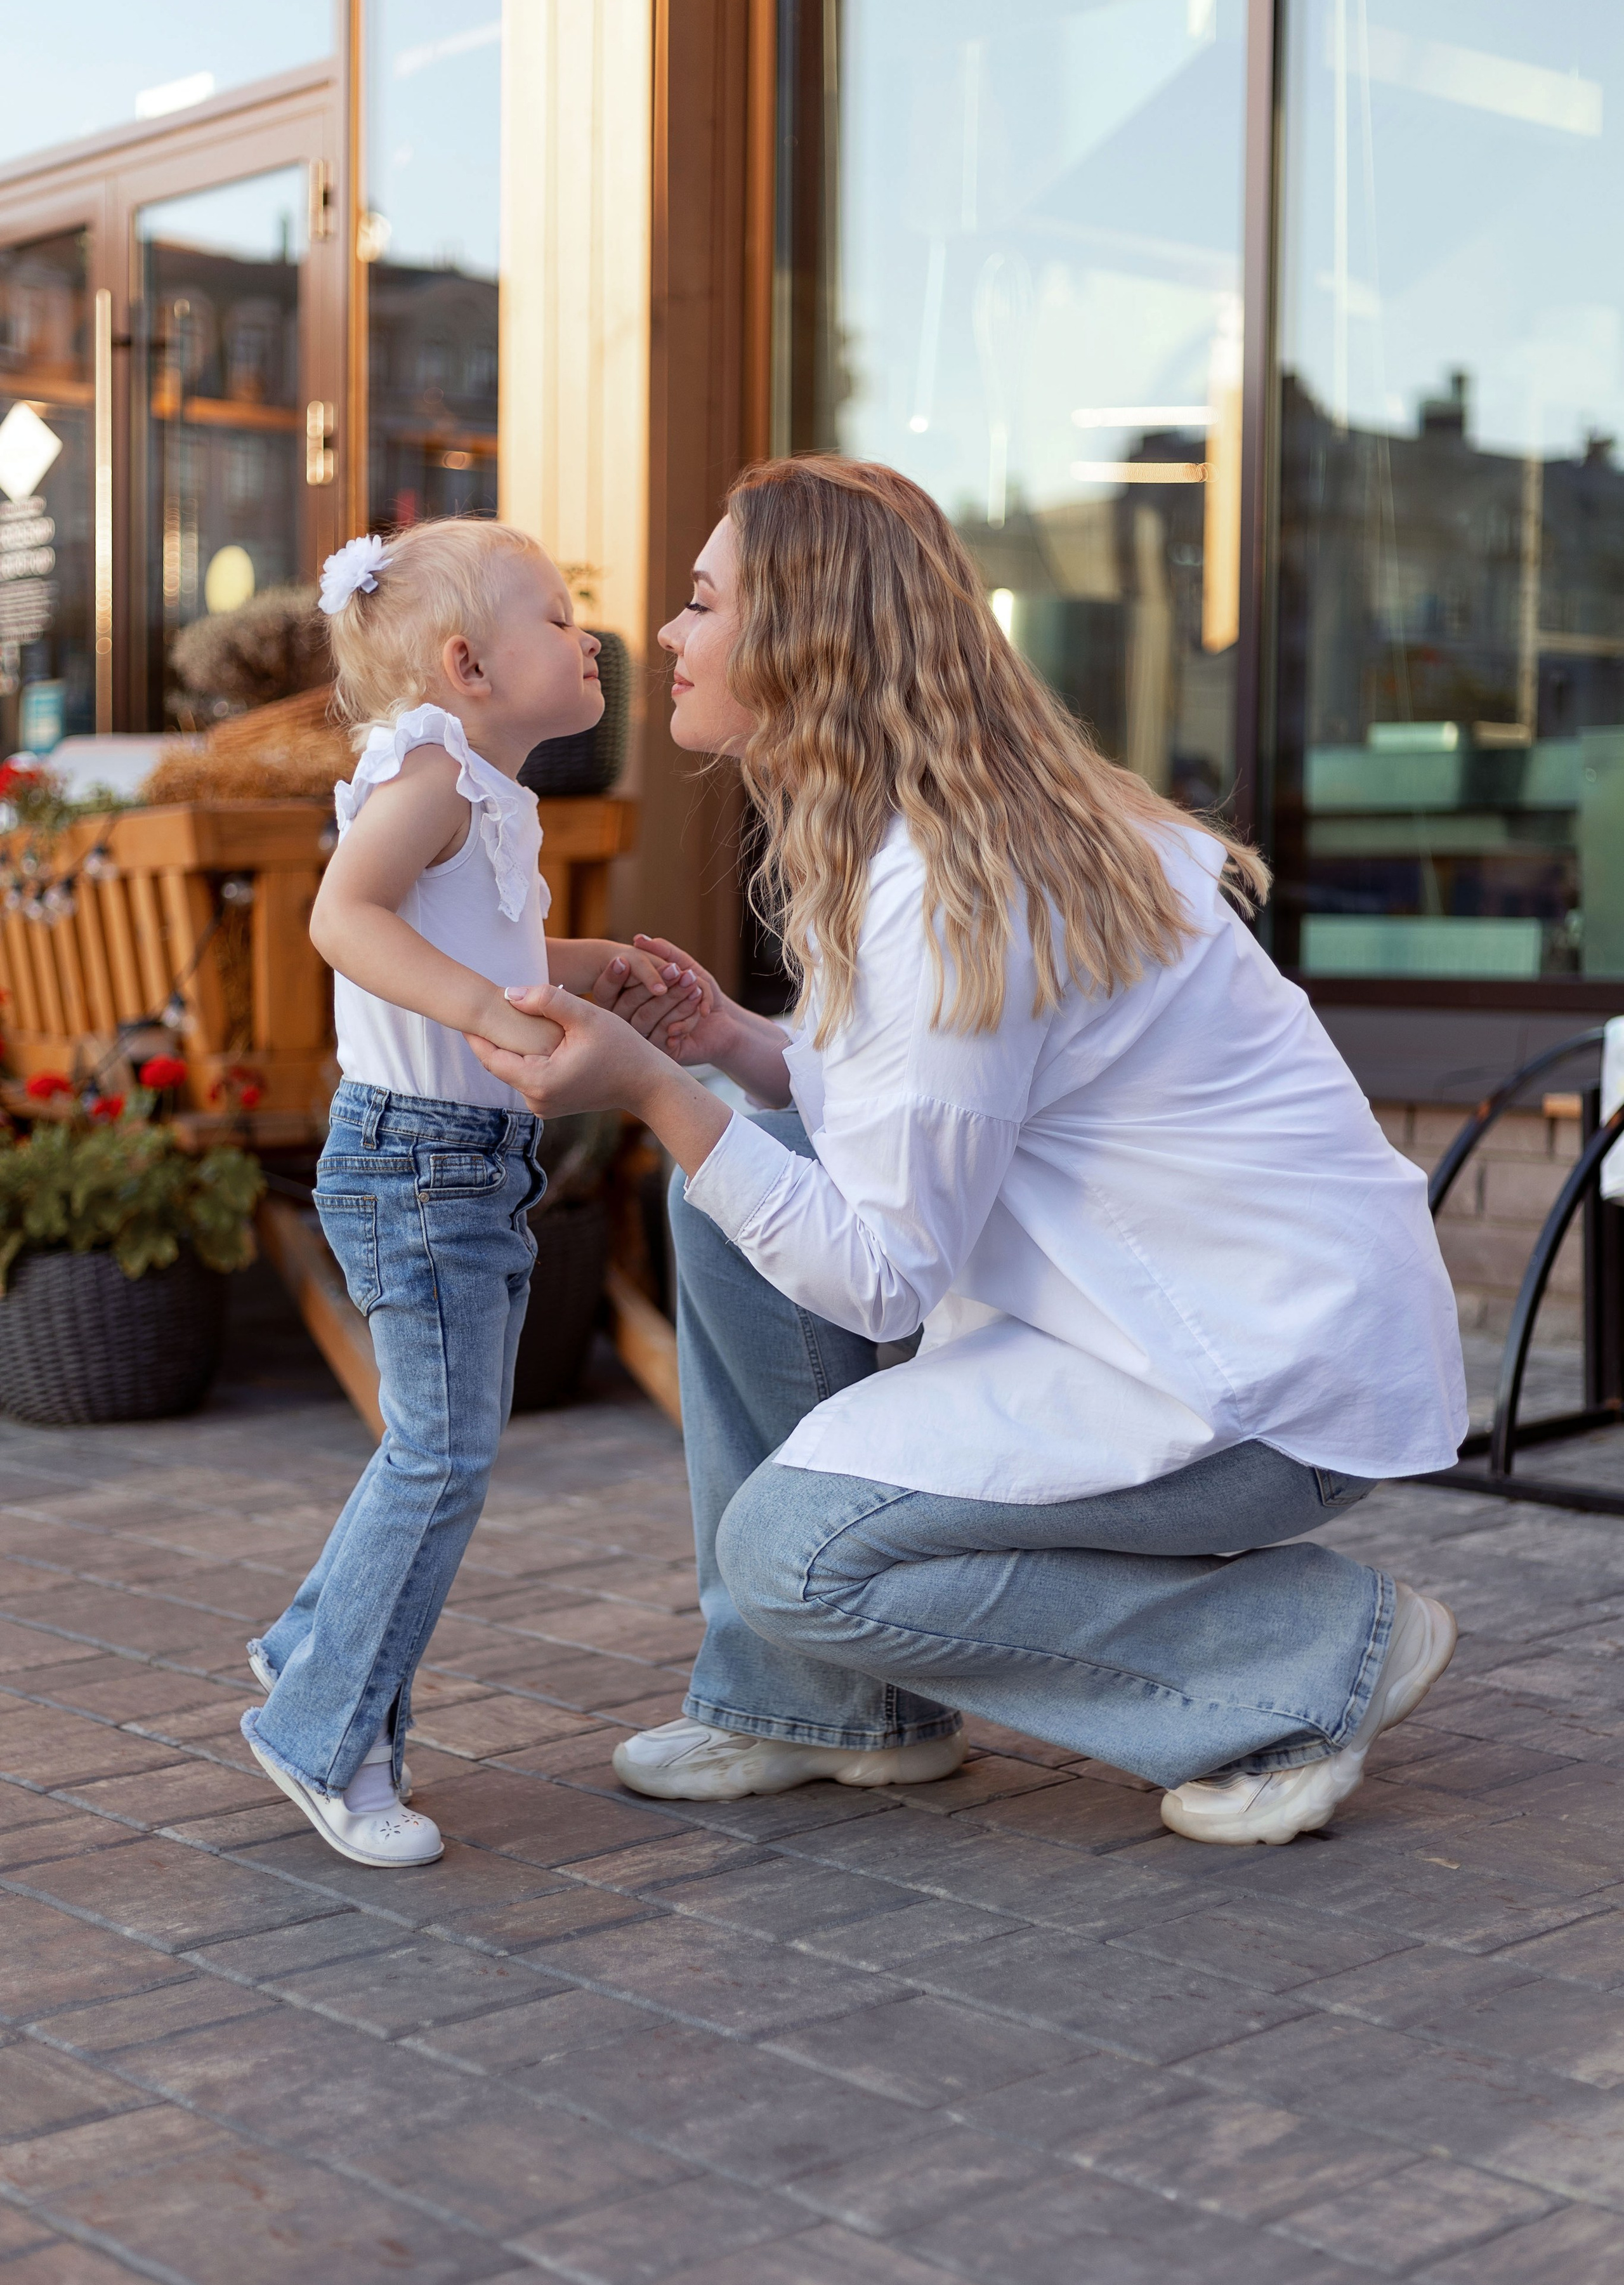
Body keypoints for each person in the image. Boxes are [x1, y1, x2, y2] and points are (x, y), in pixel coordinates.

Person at [473, 456, 1468, 1850]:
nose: (668, 637)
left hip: (1256, 1378)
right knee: (733, 1185)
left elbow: (881, 1275)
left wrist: (648, 1084)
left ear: (805, 636)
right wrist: (733, 1043)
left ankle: (1305, 1653)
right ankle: (827, 1713)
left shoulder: (949, 890)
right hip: (1183, 1319)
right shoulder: (945, 840)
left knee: (788, 1549)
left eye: (700, 604)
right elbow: (924, 1109)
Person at [242, 518, 702, 1868]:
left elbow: (473, 936)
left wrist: (585, 960)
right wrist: (483, 1019)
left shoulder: (485, 790)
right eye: (557, 616)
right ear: (467, 663)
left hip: (458, 1162)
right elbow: (347, 916)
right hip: (419, 1155)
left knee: (434, 1446)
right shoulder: (433, 770)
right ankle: (321, 1729)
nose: (591, 634)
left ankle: (302, 1649)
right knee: (440, 1454)